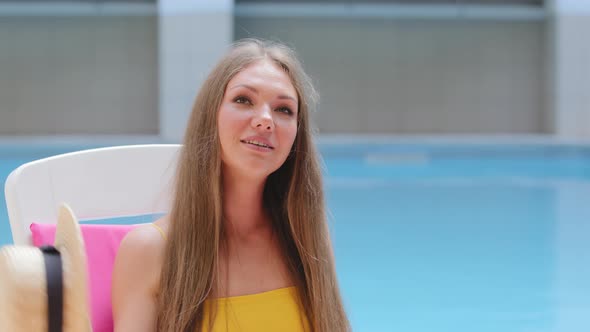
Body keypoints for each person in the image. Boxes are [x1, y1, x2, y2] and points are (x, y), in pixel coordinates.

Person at [112, 38, 350, 332]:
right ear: (210, 117)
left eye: (284, 110)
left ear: (296, 137)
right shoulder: (149, 251)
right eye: (243, 100)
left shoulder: (305, 237)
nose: (265, 120)